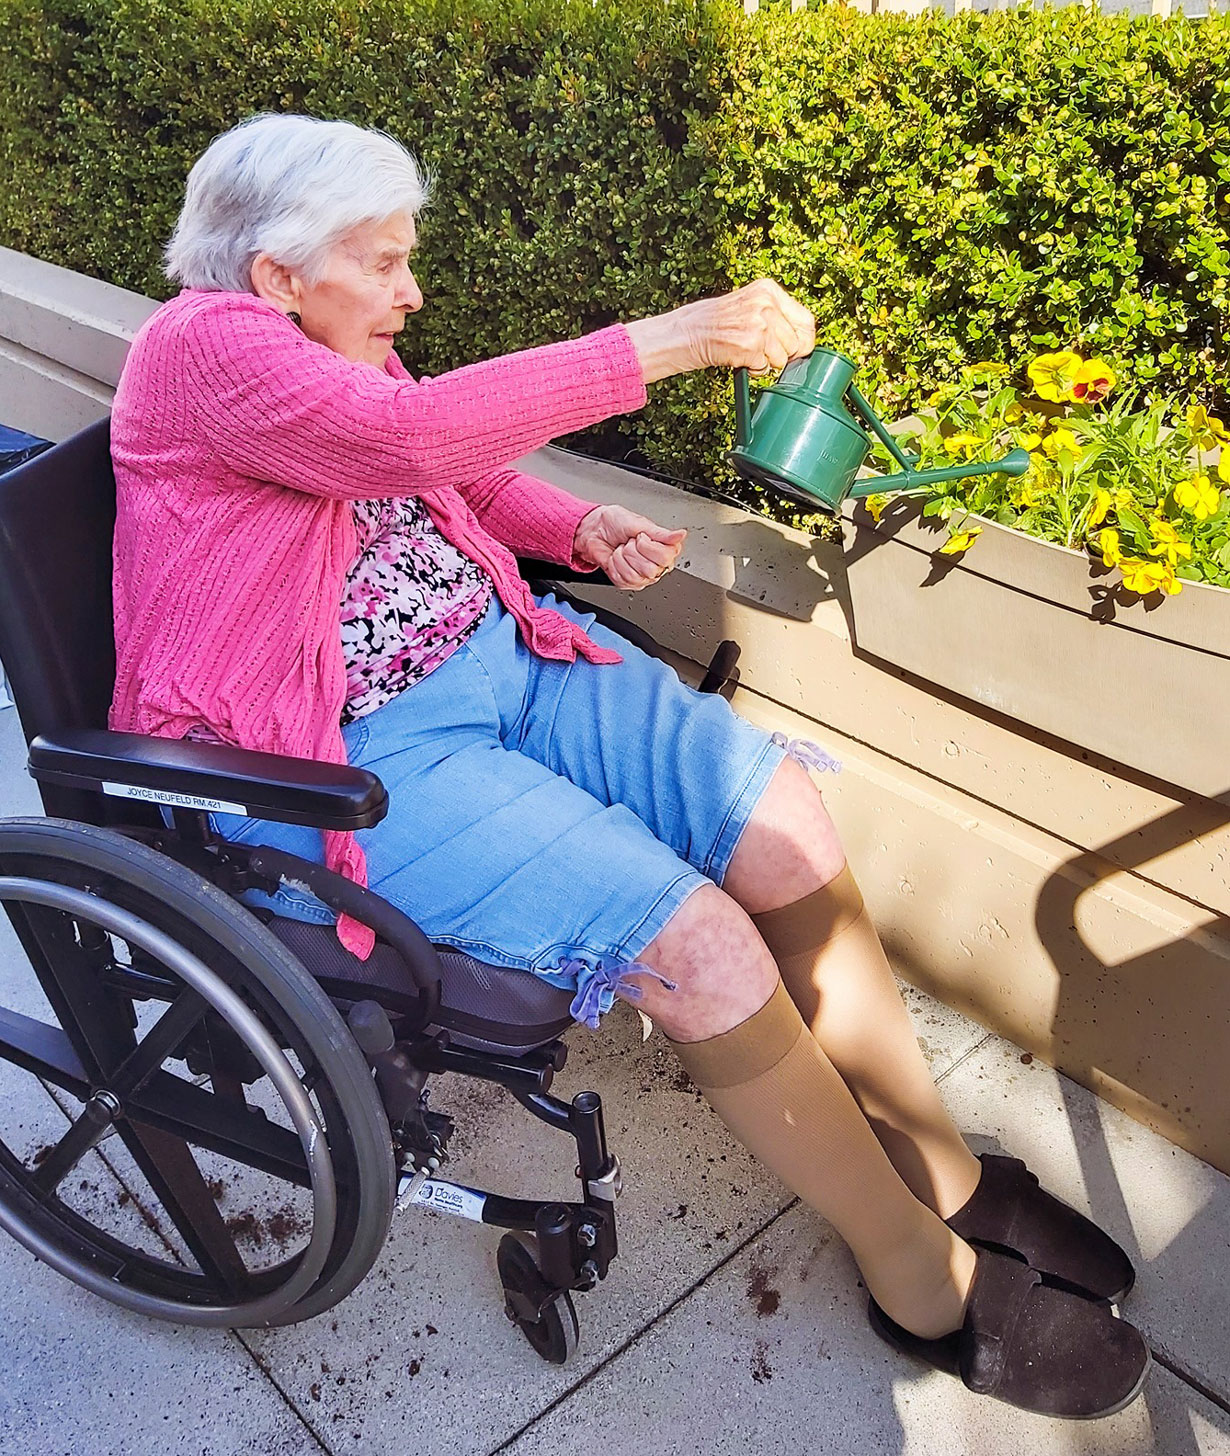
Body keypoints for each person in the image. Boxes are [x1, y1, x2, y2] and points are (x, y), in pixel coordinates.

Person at [110, 113, 1148, 1419]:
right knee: (700, 947)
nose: (410, 289)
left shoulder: (322, 337)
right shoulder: (204, 346)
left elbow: (451, 476)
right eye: (384, 262)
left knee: (777, 817)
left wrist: (575, 520)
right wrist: (667, 341)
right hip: (331, 752)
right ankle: (918, 1276)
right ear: (275, 274)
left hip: (495, 653)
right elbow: (401, 444)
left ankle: (936, 1171)